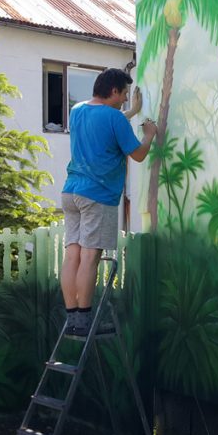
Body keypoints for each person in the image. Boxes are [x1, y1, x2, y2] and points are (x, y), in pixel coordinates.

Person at [60, 68, 156, 336]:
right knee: (90, 257)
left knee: (73, 255)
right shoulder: (114, 117)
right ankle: (84, 321)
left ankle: (71, 318)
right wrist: (148, 135)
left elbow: (105, 124)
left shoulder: (78, 110)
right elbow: (137, 154)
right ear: (114, 90)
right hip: (97, 194)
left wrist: (132, 113)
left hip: (71, 191)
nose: (125, 99)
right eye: (124, 94)